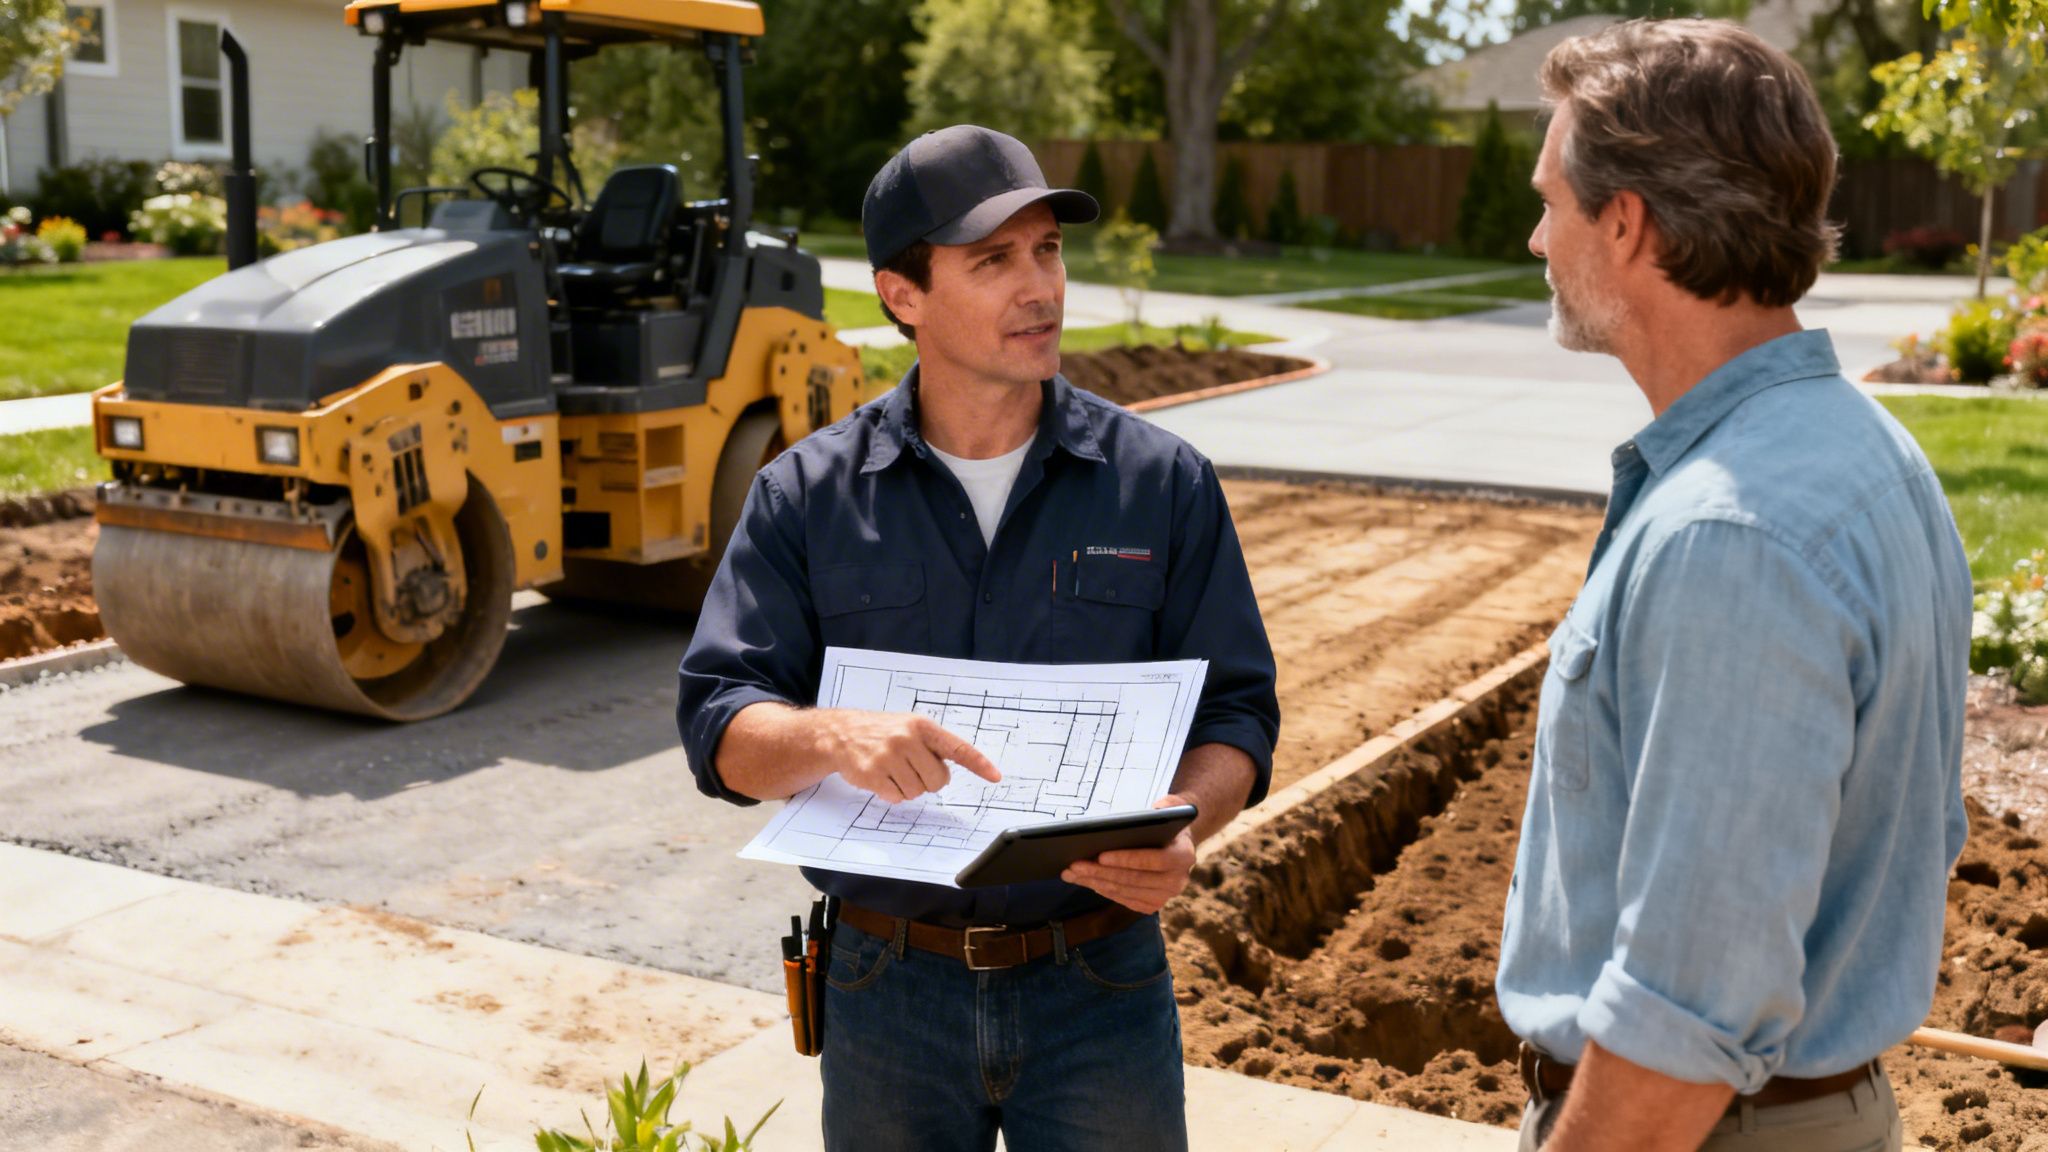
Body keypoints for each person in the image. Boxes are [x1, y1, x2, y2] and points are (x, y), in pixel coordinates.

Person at [675, 124, 1280, 1151]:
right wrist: (833, 739)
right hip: (884, 988)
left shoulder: (1160, 484)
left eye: (1045, 250)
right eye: (992, 259)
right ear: (901, 295)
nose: (1038, 287)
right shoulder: (803, 498)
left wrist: (1187, 823)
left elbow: (1237, 713)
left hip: (1101, 980)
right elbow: (720, 729)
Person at [1495, 19, 1972, 1152]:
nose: (1531, 238)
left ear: (1624, 223)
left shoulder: (1730, 535)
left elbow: (1681, 1026)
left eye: (1550, 201)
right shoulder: (1860, 449)